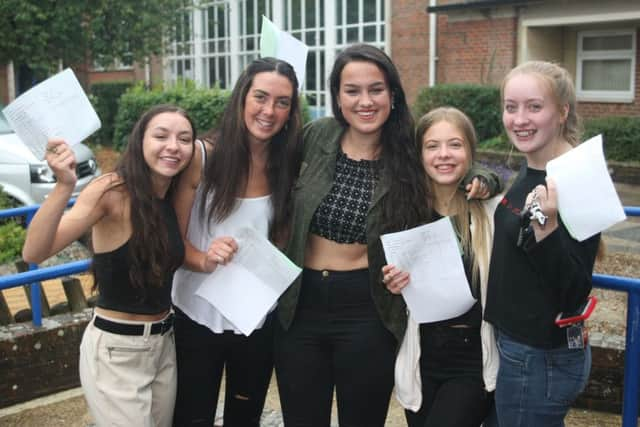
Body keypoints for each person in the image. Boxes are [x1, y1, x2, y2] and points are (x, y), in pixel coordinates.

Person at [274, 43, 501, 427]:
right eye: (352, 90)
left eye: (376, 89)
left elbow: (450, 154)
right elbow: (266, 167)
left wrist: (485, 178)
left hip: (369, 309)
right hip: (301, 306)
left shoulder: (407, 149)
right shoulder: (315, 137)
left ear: (392, 94)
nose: (365, 101)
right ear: (337, 97)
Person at [22, 105, 196, 426]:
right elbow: (35, 251)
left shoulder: (172, 195)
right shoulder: (112, 190)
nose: (173, 145)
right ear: (139, 141)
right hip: (118, 351)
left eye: (184, 139)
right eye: (161, 135)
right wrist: (63, 185)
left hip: (163, 346)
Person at [170, 57, 301, 427]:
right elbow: (173, 243)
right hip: (196, 315)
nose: (269, 110)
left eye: (282, 102)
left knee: (245, 417)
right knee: (190, 418)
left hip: (256, 320)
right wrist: (205, 259)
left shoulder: (289, 163)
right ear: (242, 97)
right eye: (260, 97)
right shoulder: (201, 155)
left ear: (291, 111)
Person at [483, 61, 601, 426]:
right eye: (510, 106)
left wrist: (545, 229)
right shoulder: (536, 163)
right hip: (518, 347)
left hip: (539, 356)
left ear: (562, 111)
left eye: (535, 106)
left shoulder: (577, 175)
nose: (519, 119)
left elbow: (575, 290)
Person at [382, 107, 500, 427]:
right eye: (432, 146)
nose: (443, 155)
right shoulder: (406, 210)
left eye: (455, 145)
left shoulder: (489, 212)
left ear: (471, 152)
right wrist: (392, 282)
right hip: (420, 358)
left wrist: (488, 178)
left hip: (471, 360)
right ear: (419, 153)